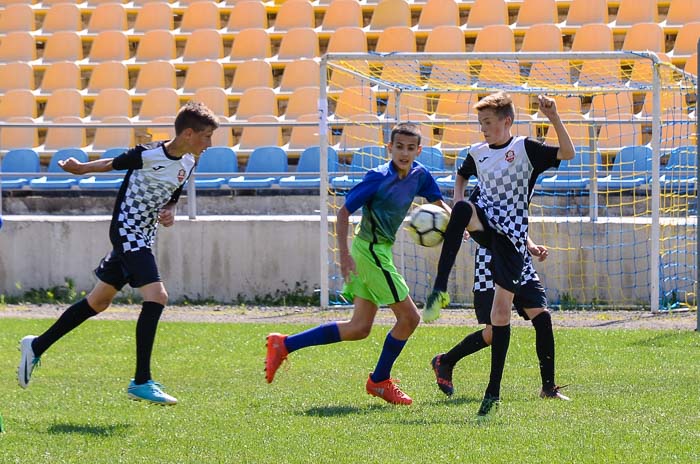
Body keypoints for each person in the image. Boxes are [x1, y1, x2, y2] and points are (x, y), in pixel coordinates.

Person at [17, 101, 219, 405]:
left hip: (145, 235)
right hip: (126, 231)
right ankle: (141, 381)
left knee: (98, 302)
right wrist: (81, 168)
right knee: (157, 296)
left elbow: (173, 194)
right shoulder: (149, 153)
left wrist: (170, 210)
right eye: (206, 137)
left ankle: (36, 346)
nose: (210, 143)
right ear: (188, 133)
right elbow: (112, 163)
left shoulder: (190, 161)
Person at [265, 122, 450, 405]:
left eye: (410, 148)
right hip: (369, 252)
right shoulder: (376, 177)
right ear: (389, 148)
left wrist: (456, 223)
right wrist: (344, 256)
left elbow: (439, 204)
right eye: (399, 147)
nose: (404, 152)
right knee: (410, 318)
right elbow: (343, 213)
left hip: (379, 251)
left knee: (359, 327)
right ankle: (379, 380)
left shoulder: (420, 175)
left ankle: (284, 344)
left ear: (419, 150)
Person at [423, 92, 574, 416]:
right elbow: (462, 176)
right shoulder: (478, 156)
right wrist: (460, 210)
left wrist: (553, 117)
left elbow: (567, 152)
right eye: (480, 124)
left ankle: (451, 363)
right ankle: (439, 288)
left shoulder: (524, 151)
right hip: (486, 253)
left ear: (507, 121)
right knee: (463, 208)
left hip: (514, 246)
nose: (483, 129)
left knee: (532, 320)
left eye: (488, 123)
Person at [430, 235, 571, 402]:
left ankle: (548, 388)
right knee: (492, 333)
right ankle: (445, 362)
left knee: (543, 318)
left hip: (519, 261)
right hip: (490, 263)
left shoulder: (520, 208)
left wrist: (531, 246)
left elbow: (516, 226)